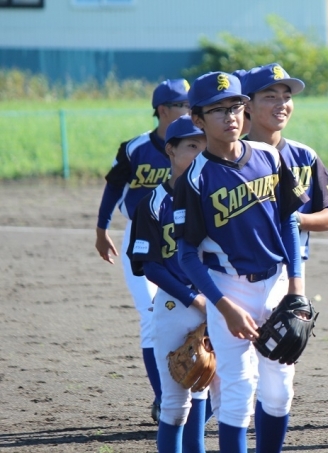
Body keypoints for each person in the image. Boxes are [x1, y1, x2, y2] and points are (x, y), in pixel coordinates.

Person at [173, 71, 308, 453]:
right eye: (218, 110)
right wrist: (224, 307)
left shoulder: (269, 156)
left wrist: (296, 288)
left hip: (276, 282)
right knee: (237, 393)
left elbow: (289, 221)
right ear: (197, 119)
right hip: (228, 286)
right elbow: (187, 254)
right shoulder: (195, 179)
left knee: (279, 391)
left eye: (235, 106)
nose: (230, 116)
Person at [94, 78, 191, 422]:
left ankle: (195, 393)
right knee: (151, 315)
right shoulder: (136, 148)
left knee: (192, 312)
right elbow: (113, 186)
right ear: (163, 110)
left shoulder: (197, 143)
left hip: (188, 235)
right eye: (183, 105)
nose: (189, 110)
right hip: (141, 237)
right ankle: (164, 398)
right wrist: (101, 228)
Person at [127, 115, 212, 452]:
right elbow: (151, 267)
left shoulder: (213, 197)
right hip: (176, 305)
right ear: (171, 150)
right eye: (192, 145)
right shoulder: (152, 204)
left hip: (216, 303)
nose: (199, 152)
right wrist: (195, 299)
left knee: (202, 390)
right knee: (175, 405)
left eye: (204, 145)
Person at [241, 63, 328, 272]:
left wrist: (296, 219)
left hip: (293, 269)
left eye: (286, 97)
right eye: (271, 97)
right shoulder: (232, 157)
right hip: (239, 271)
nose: (281, 104)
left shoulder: (304, 156)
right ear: (248, 106)